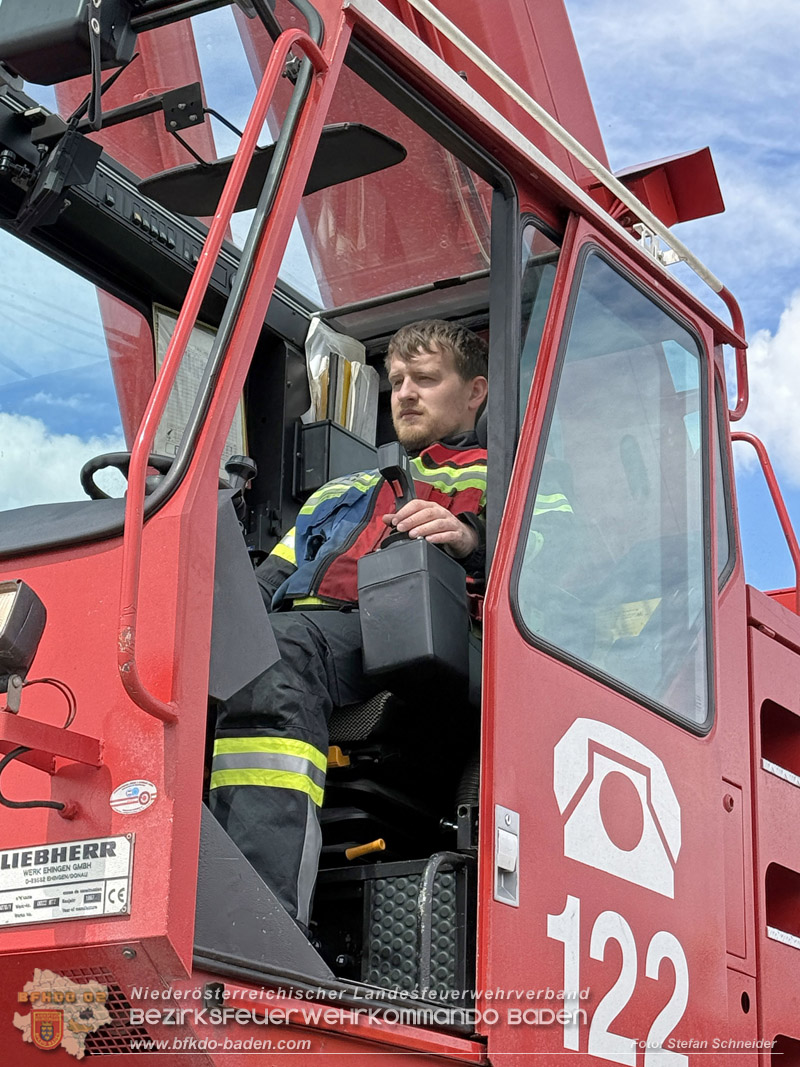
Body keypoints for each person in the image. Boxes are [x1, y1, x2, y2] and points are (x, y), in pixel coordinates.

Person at [208, 319, 489, 929]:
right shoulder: (341, 491)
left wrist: (472, 540)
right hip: (307, 628)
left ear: (475, 392)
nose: (406, 394)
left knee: (276, 655)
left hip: (413, 638)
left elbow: (550, 569)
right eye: (396, 382)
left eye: (426, 379)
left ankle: (263, 926)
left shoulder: (509, 477)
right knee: (196, 654)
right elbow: (272, 576)